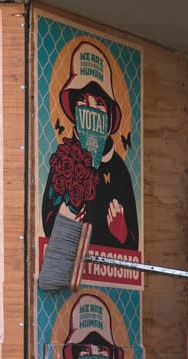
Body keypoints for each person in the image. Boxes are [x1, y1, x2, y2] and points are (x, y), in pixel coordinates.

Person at [41, 40, 139, 250]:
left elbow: (133, 240)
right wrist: (61, 220)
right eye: (83, 101)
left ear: (110, 115)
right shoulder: (64, 159)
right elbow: (47, 217)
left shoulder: (119, 169)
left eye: (99, 103)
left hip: (106, 268)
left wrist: (122, 233)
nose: (91, 109)